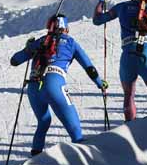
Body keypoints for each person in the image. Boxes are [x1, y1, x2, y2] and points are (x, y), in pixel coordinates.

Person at [10, 15, 107, 156]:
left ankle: (35, 157)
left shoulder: (40, 42)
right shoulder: (71, 42)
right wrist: (100, 83)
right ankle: (85, 162)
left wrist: (28, 47)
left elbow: (14, 60)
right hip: (54, 83)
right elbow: (89, 68)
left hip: (33, 86)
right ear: (66, 28)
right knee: (74, 129)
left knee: (43, 121)